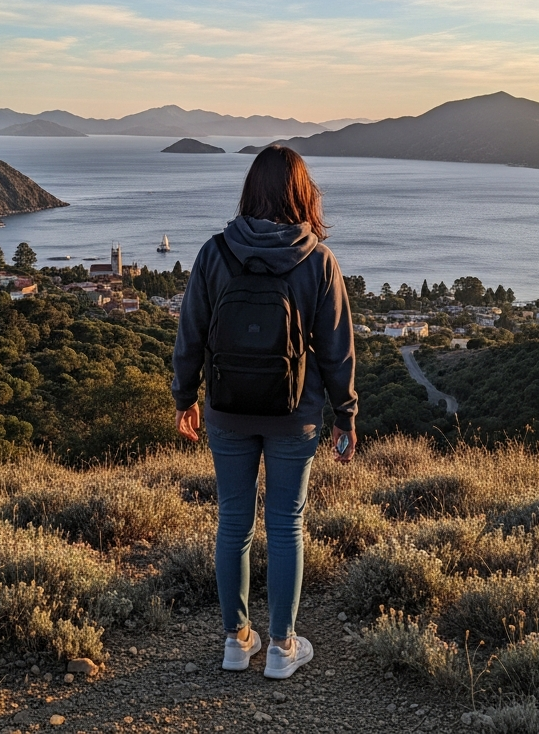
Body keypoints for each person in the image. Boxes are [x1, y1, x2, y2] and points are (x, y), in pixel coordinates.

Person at [172, 145, 358, 679]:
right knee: (286, 523)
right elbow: (337, 347)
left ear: (250, 190)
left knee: (233, 521)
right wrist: (345, 414)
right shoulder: (317, 260)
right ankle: (280, 646)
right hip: (294, 415)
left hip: (227, 410)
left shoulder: (215, 253)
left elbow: (191, 334)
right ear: (302, 193)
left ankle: (235, 641)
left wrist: (184, 398)